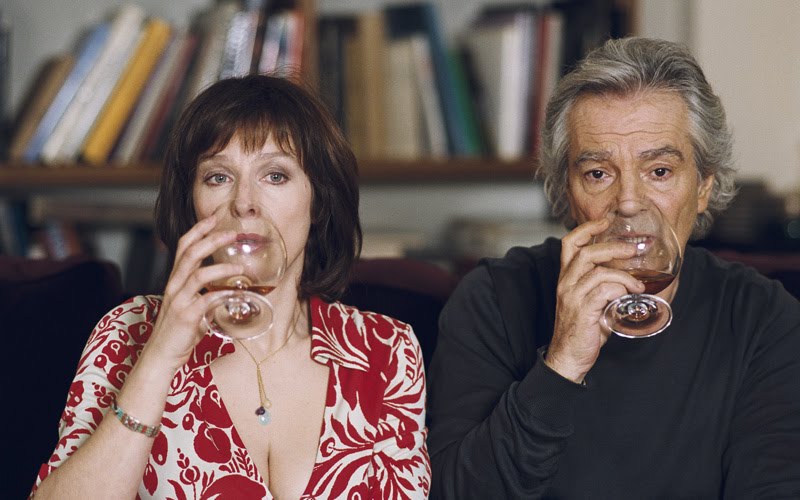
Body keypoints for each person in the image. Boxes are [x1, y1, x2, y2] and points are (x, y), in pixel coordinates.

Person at [427, 36, 800, 498]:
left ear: (703, 187)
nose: (628, 202)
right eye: (598, 174)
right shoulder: (492, 300)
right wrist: (562, 364)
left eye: (659, 171)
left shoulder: (763, 318)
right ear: (567, 191)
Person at [32, 74, 430, 499]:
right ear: (192, 204)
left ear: (318, 201)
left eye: (275, 175)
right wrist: (160, 357)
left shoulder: (388, 350)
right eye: (218, 177)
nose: (244, 203)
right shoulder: (127, 330)